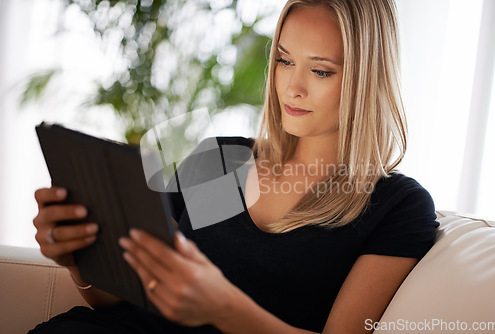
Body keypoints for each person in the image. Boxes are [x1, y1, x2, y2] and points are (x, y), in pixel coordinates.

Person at [30, 0, 439, 333]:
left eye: (320, 70)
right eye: (283, 61)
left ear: (365, 78)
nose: (292, 88)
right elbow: (123, 297)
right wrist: (78, 260)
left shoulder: (394, 206)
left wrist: (223, 307)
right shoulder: (224, 159)